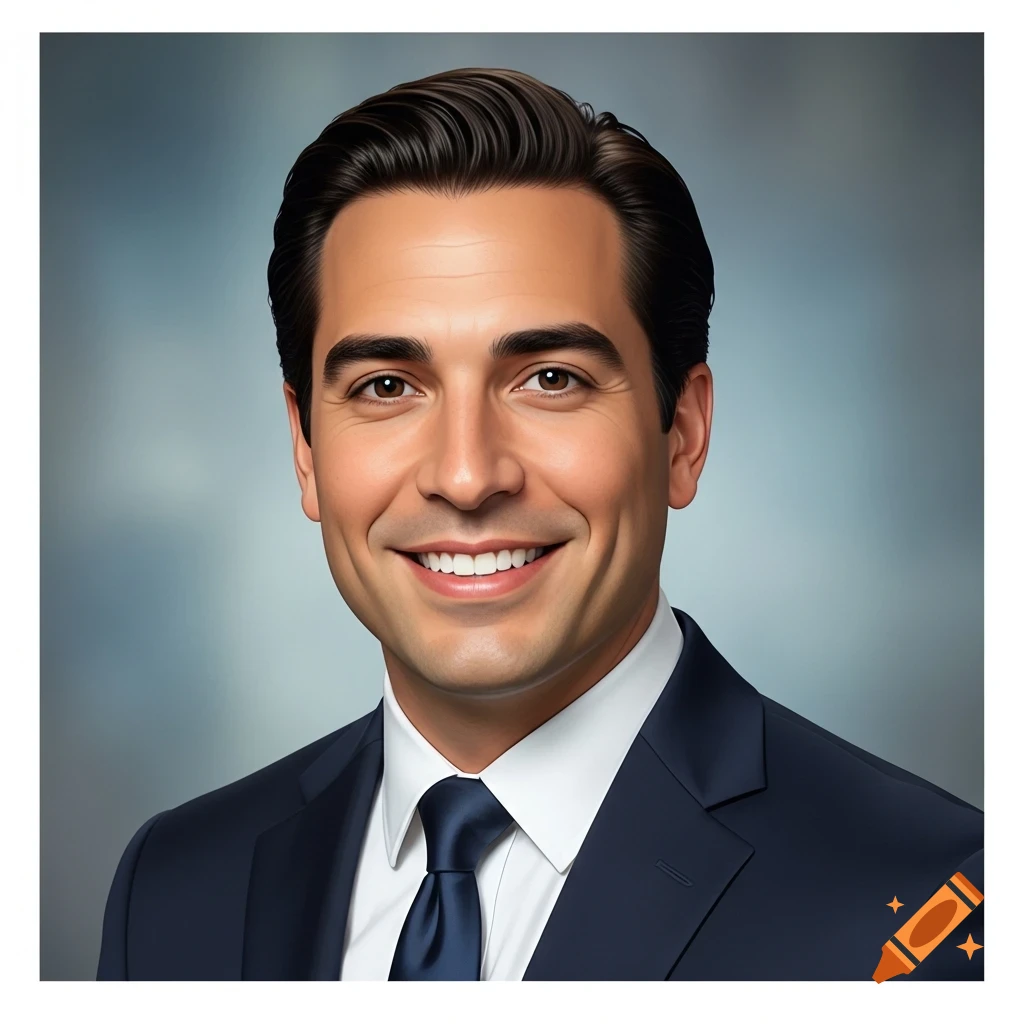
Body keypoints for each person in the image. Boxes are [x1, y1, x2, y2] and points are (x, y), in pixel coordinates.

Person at [96, 67, 983, 981]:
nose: (468, 475)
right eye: (387, 387)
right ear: (306, 449)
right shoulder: (173, 889)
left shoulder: (933, 913)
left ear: (683, 432)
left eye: (550, 379)